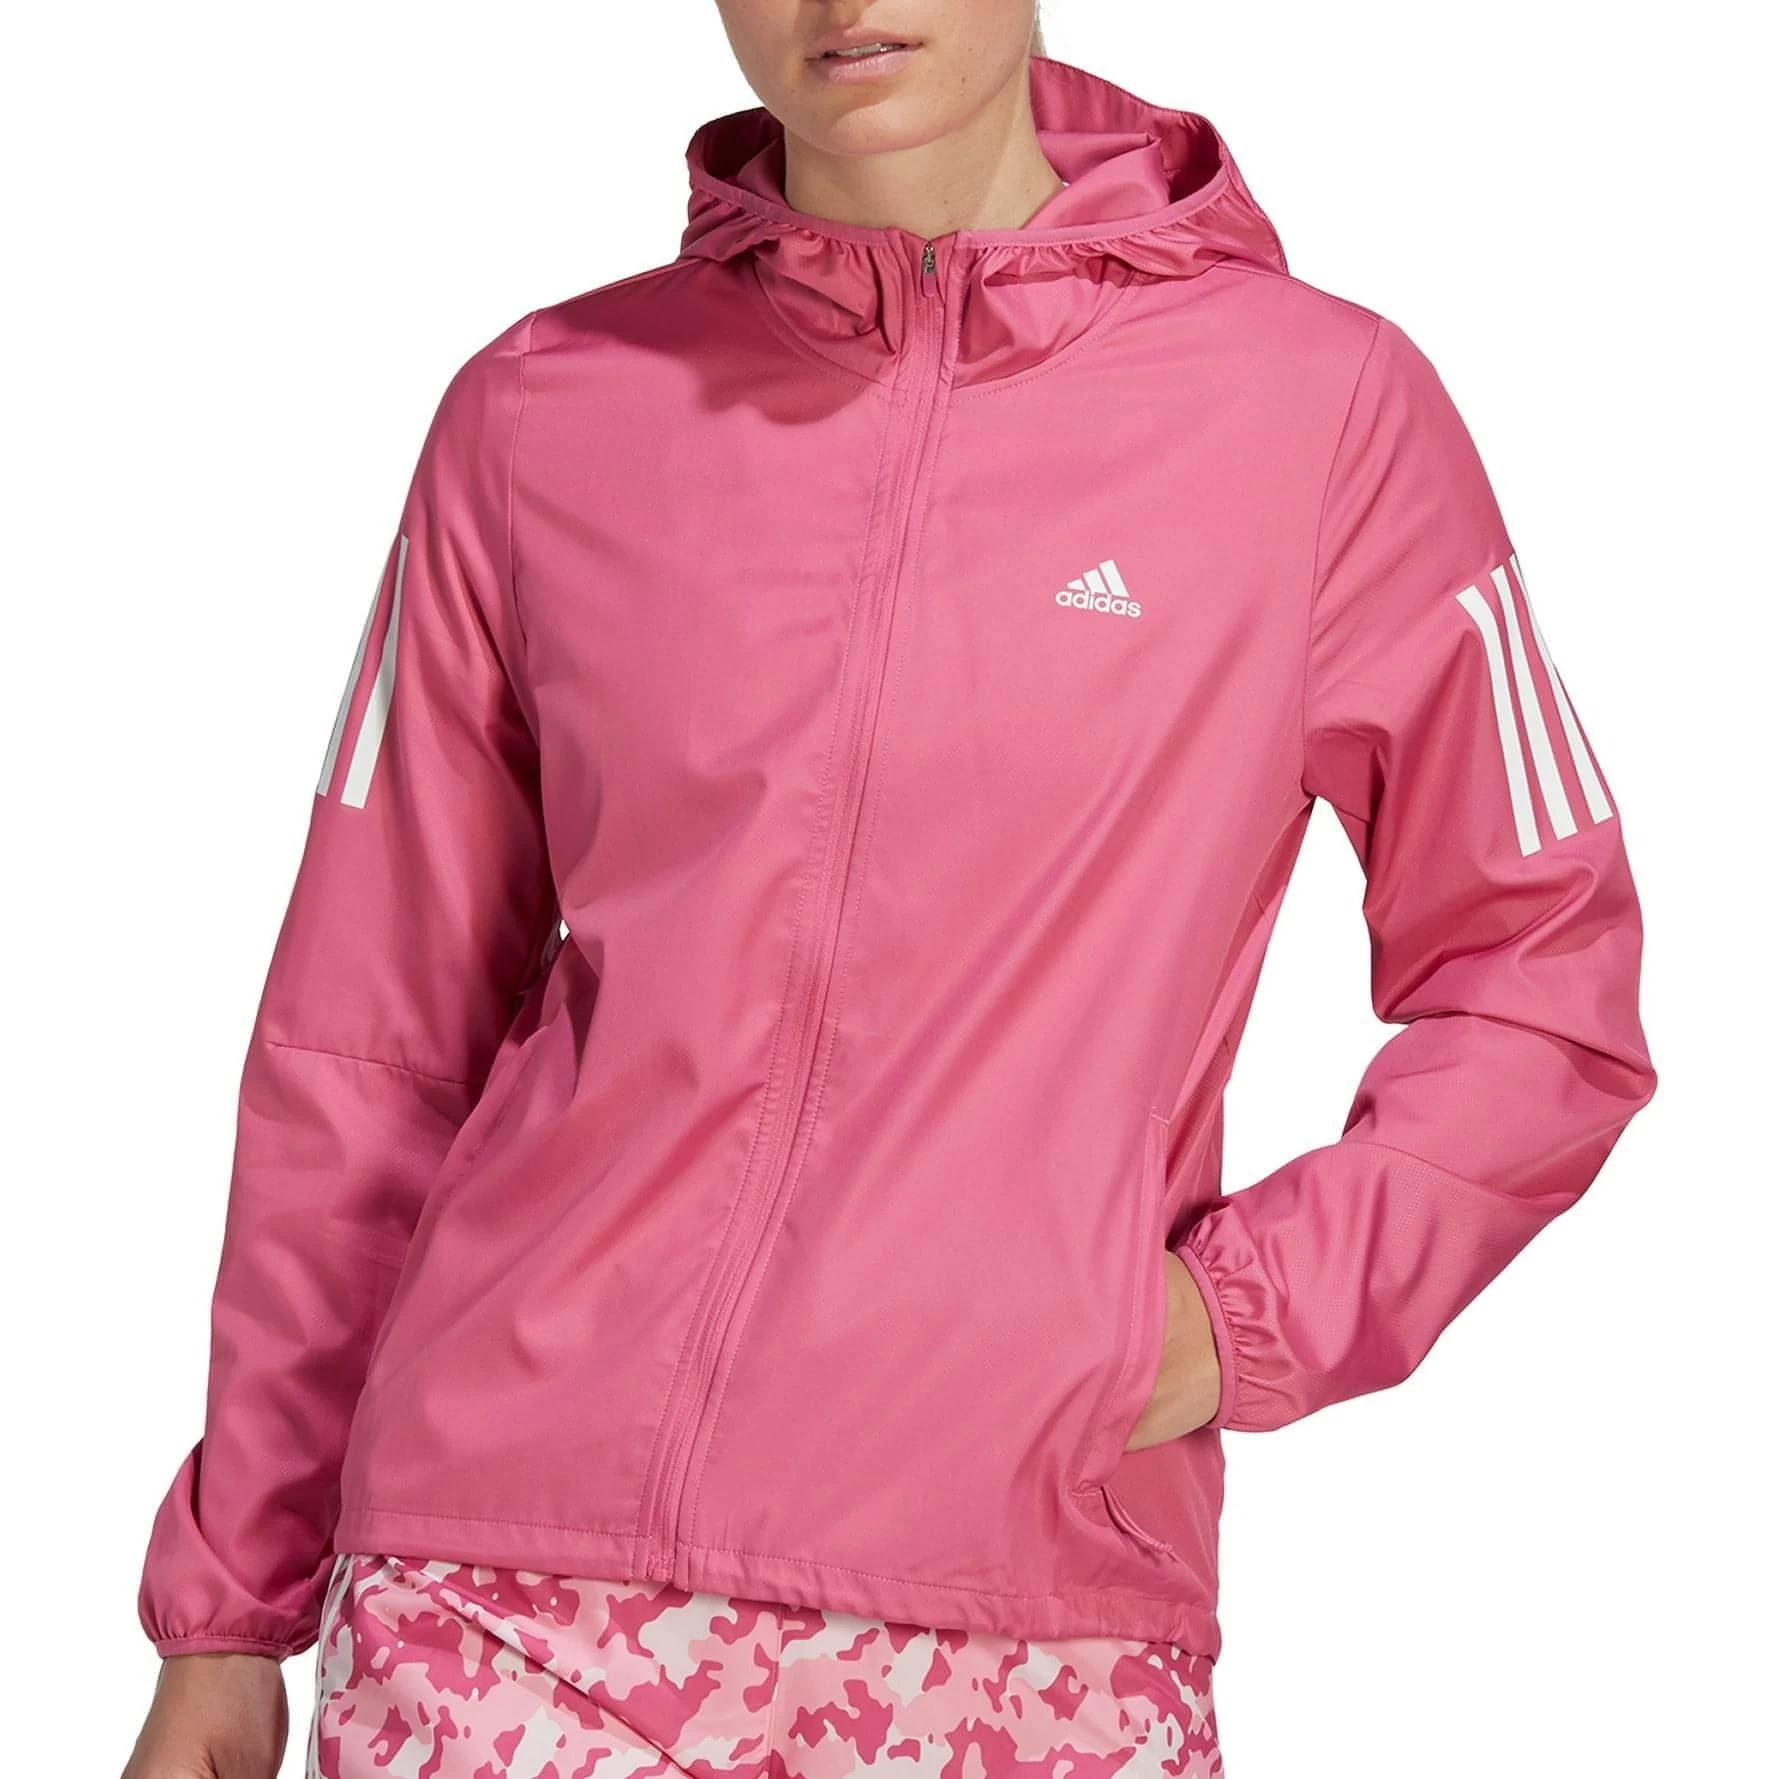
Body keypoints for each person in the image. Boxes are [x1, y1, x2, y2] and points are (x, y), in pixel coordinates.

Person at [123, 5, 1656, 1776]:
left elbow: (1542, 983)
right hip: (500, 1602)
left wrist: (1224, 1324)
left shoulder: (1318, 415)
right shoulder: (541, 408)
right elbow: (365, 1044)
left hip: (1029, 1616)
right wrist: (229, 1611)